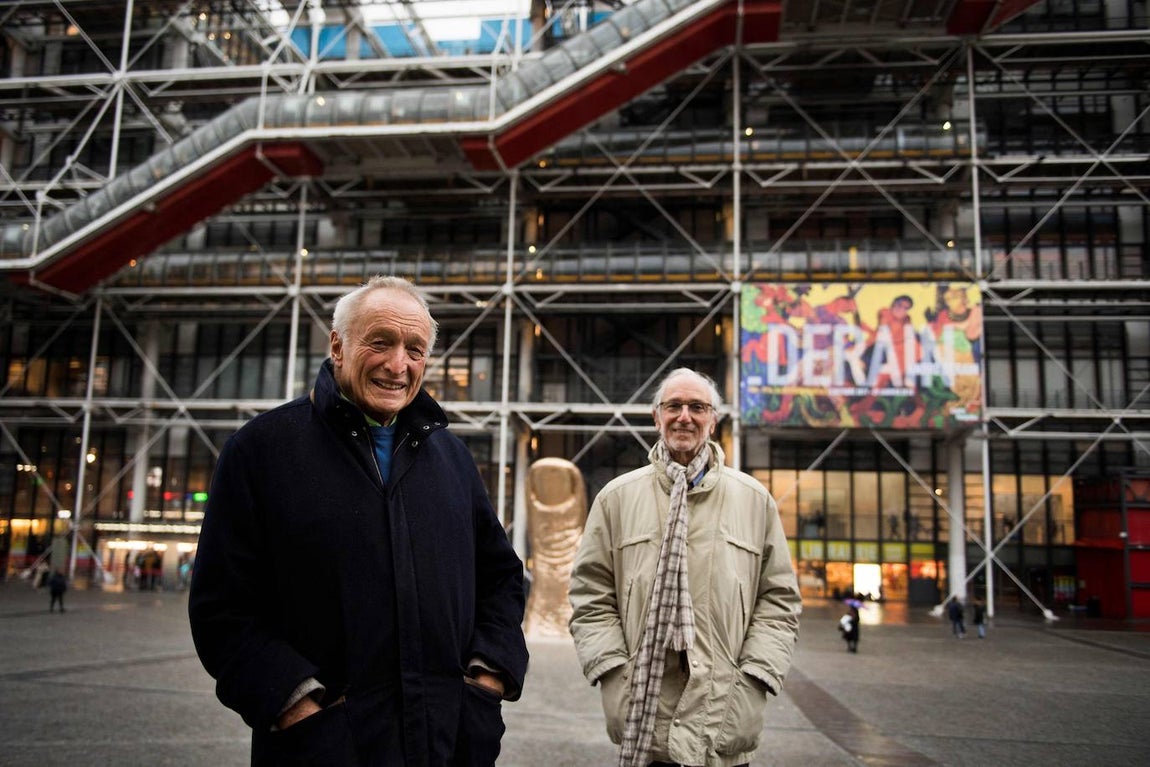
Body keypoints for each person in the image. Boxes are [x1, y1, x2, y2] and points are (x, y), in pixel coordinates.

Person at [188, 275, 529, 766]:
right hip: (320, 750)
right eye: (381, 342)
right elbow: (223, 609)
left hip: (447, 746)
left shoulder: (451, 458)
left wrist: (486, 682)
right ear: (338, 347)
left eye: (415, 349)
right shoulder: (261, 450)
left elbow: (500, 578)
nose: (398, 365)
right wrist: (298, 707)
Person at [569, 367, 802, 767]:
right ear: (656, 417)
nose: (685, 416)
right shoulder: (616, 499)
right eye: (673, 406)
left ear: (714, 419)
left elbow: (778, 601)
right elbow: (590, 596)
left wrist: (754, 678)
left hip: (724, 719)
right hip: (643, 718)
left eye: (697, 406)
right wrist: (614, 673)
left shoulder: (754, 500)